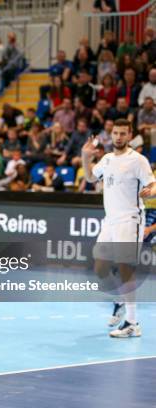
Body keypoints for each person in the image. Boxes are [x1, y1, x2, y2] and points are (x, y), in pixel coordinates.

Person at [81, 118, 156, 338]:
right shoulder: (106, 159)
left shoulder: (138, 160)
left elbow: (152, 183)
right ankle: (120, 299)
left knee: (125, 268)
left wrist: (150, 191)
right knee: (100, 269)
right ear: (111, 134)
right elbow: (89, 177)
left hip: (130, 219)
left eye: (123, 133)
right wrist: (85, 157)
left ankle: (132, 323)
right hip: (110, 220)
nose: (119, 137)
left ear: (130, 135)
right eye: (115, 133)